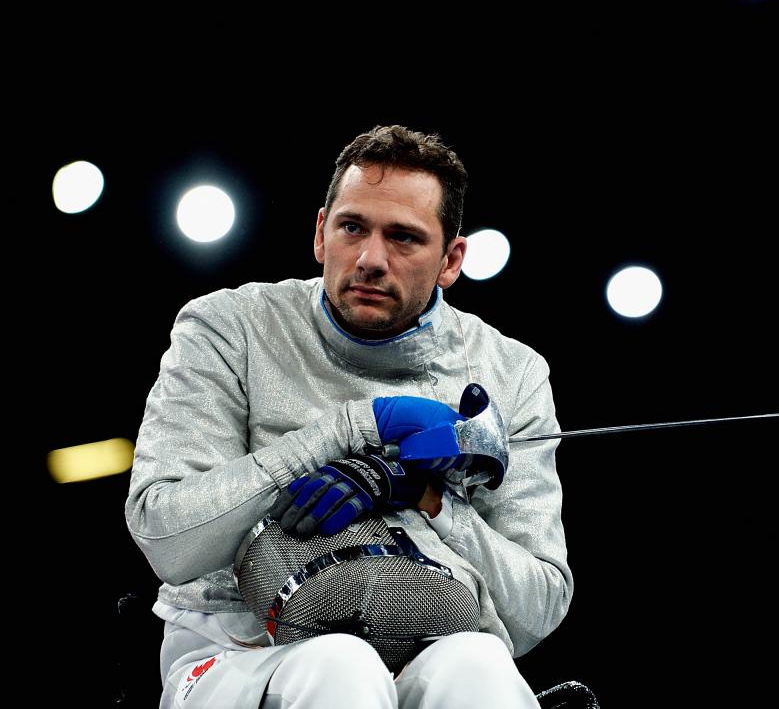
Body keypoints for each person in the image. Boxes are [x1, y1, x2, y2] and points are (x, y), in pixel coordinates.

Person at [125, 125, 572, 708]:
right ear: (320, 232)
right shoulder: (228, 326)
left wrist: (429, 502)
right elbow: (167, 538)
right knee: (340, 665)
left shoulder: (510, 370)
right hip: (235, 649)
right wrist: (359, 428)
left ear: (451, 259)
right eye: (352, 227)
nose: (370, 259)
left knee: (480, 664)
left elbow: (539, 604)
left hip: (428, 638)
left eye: (405, 238)